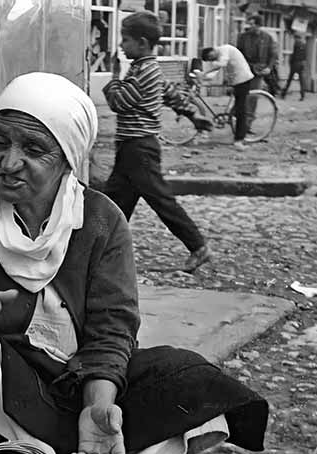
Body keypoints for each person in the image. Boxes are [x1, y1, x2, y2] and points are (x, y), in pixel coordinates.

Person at [0, 71, 269, 454]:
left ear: (67, 159)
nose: (9, 162)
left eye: (34, 150)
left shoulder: (99, 220)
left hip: (79, 381)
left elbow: (113, 325)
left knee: (188, 377)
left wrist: (98, 406)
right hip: (8, 384)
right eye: (0, 141)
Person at [102, 12, 212, 273]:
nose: (121, 45)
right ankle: (101, 251)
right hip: (134, 148)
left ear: (141, 43)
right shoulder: (148, 68)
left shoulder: (142, 72)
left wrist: (114, 78)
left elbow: (119, 102)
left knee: (160, 200)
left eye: (125, 40)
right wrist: (192, 116)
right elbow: (170, 94)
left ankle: (198, 246)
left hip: (139, 149)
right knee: (114, 202)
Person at [200, 44, 256, 150]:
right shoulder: (219, 56)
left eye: (211, 58)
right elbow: (216, 70)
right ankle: (234, 130)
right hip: (236, 80)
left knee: (241, 111)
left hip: (243, 79)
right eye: (210, 60)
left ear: (212, 51)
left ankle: (239, 140)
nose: (212, 60)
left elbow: (221, 64)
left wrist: (205, 73)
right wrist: (204, 76)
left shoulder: (225, 49)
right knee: (236, 108)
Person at [237, 15, 279, 121]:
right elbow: (238, 53)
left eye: (253, 24)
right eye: (249, 24)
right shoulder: (243, 37)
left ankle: (248, 123)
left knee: (253, 97)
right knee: (242, 96)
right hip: (245, 69)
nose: (250, 26)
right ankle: (238, 119)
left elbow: (273, 54)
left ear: (259, 25)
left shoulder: (267, 38)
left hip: (258, 71)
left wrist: (269, 67)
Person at [282, 32, 308, 100]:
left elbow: (294, 55)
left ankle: (284, 93)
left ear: (296, 38)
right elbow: (305, 55)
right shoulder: (304, 44)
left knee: (290, 79)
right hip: (302, 63)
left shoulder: (296, 44)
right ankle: (302, 95)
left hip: (295, 63)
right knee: (302, 80)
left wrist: (290, 61)